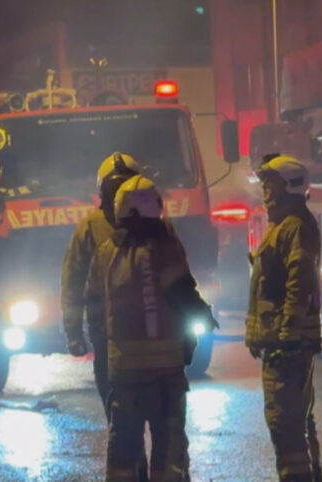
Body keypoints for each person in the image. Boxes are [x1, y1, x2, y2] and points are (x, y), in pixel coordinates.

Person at [96, 175, 216, 482]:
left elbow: (95, 308)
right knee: (169, 450)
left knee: (123, 452)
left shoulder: (106, 252)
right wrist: (203, 315)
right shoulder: (162, 248)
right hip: (164, 375)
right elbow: (181, 292)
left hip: (123, 374)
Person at [61, 152, 150, 480]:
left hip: (140, 336)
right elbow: (72, 279)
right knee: (122, 412)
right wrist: (72, 330)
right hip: (111, 336)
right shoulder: (93, 227)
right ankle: (138, 468)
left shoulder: (152, 224)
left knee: (137, 414)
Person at [246, 155, 322, 482]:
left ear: (290, 185)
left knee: (286, 423)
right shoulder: (284, 225)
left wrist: (286, 333)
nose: (265, 188)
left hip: (288, 345)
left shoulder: (293, 227)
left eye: (271, 182)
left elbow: (299, 282)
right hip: (282, 341)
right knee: (295, 422)